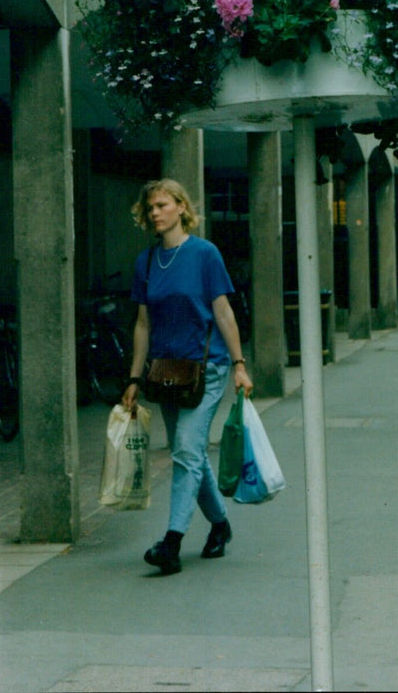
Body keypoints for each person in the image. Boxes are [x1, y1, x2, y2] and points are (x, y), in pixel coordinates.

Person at [122, 178, 254, 576]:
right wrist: (133, 379)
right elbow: (143, 325)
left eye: (162, 205)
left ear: (181, 207)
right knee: (190, 453)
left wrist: (239, 365)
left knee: (185, 452)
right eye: (150, 209)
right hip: (165, 374)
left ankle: (172, 543)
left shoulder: (204, 254)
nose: (155, 213)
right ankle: (221, 525)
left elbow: (224, 312)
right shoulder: (145, 262)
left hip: (206, 370)